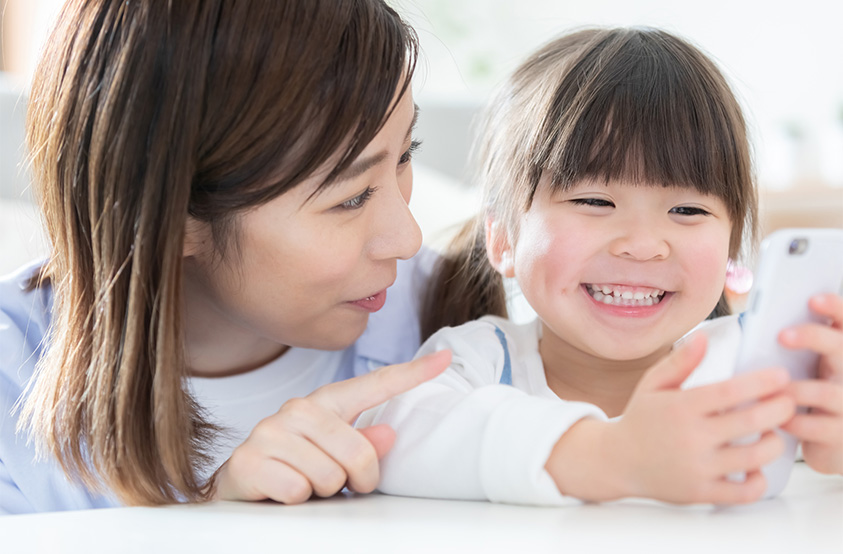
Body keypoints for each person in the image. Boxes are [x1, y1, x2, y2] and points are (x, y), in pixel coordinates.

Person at [0, 0, 453, 514]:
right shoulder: (11, 379)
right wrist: (216, 517)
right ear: (171, 222)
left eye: (405, 156)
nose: (408, 238)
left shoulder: (445, 313)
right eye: (349, 198)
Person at [357, 27, 843, 506]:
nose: (643, 245)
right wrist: (609, 456)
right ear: (503, 238)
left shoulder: (748, 368)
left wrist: (825, 441)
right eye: (594, 200)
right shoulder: (481, 360)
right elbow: (391, 431)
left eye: (688, 211)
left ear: (732, 245)